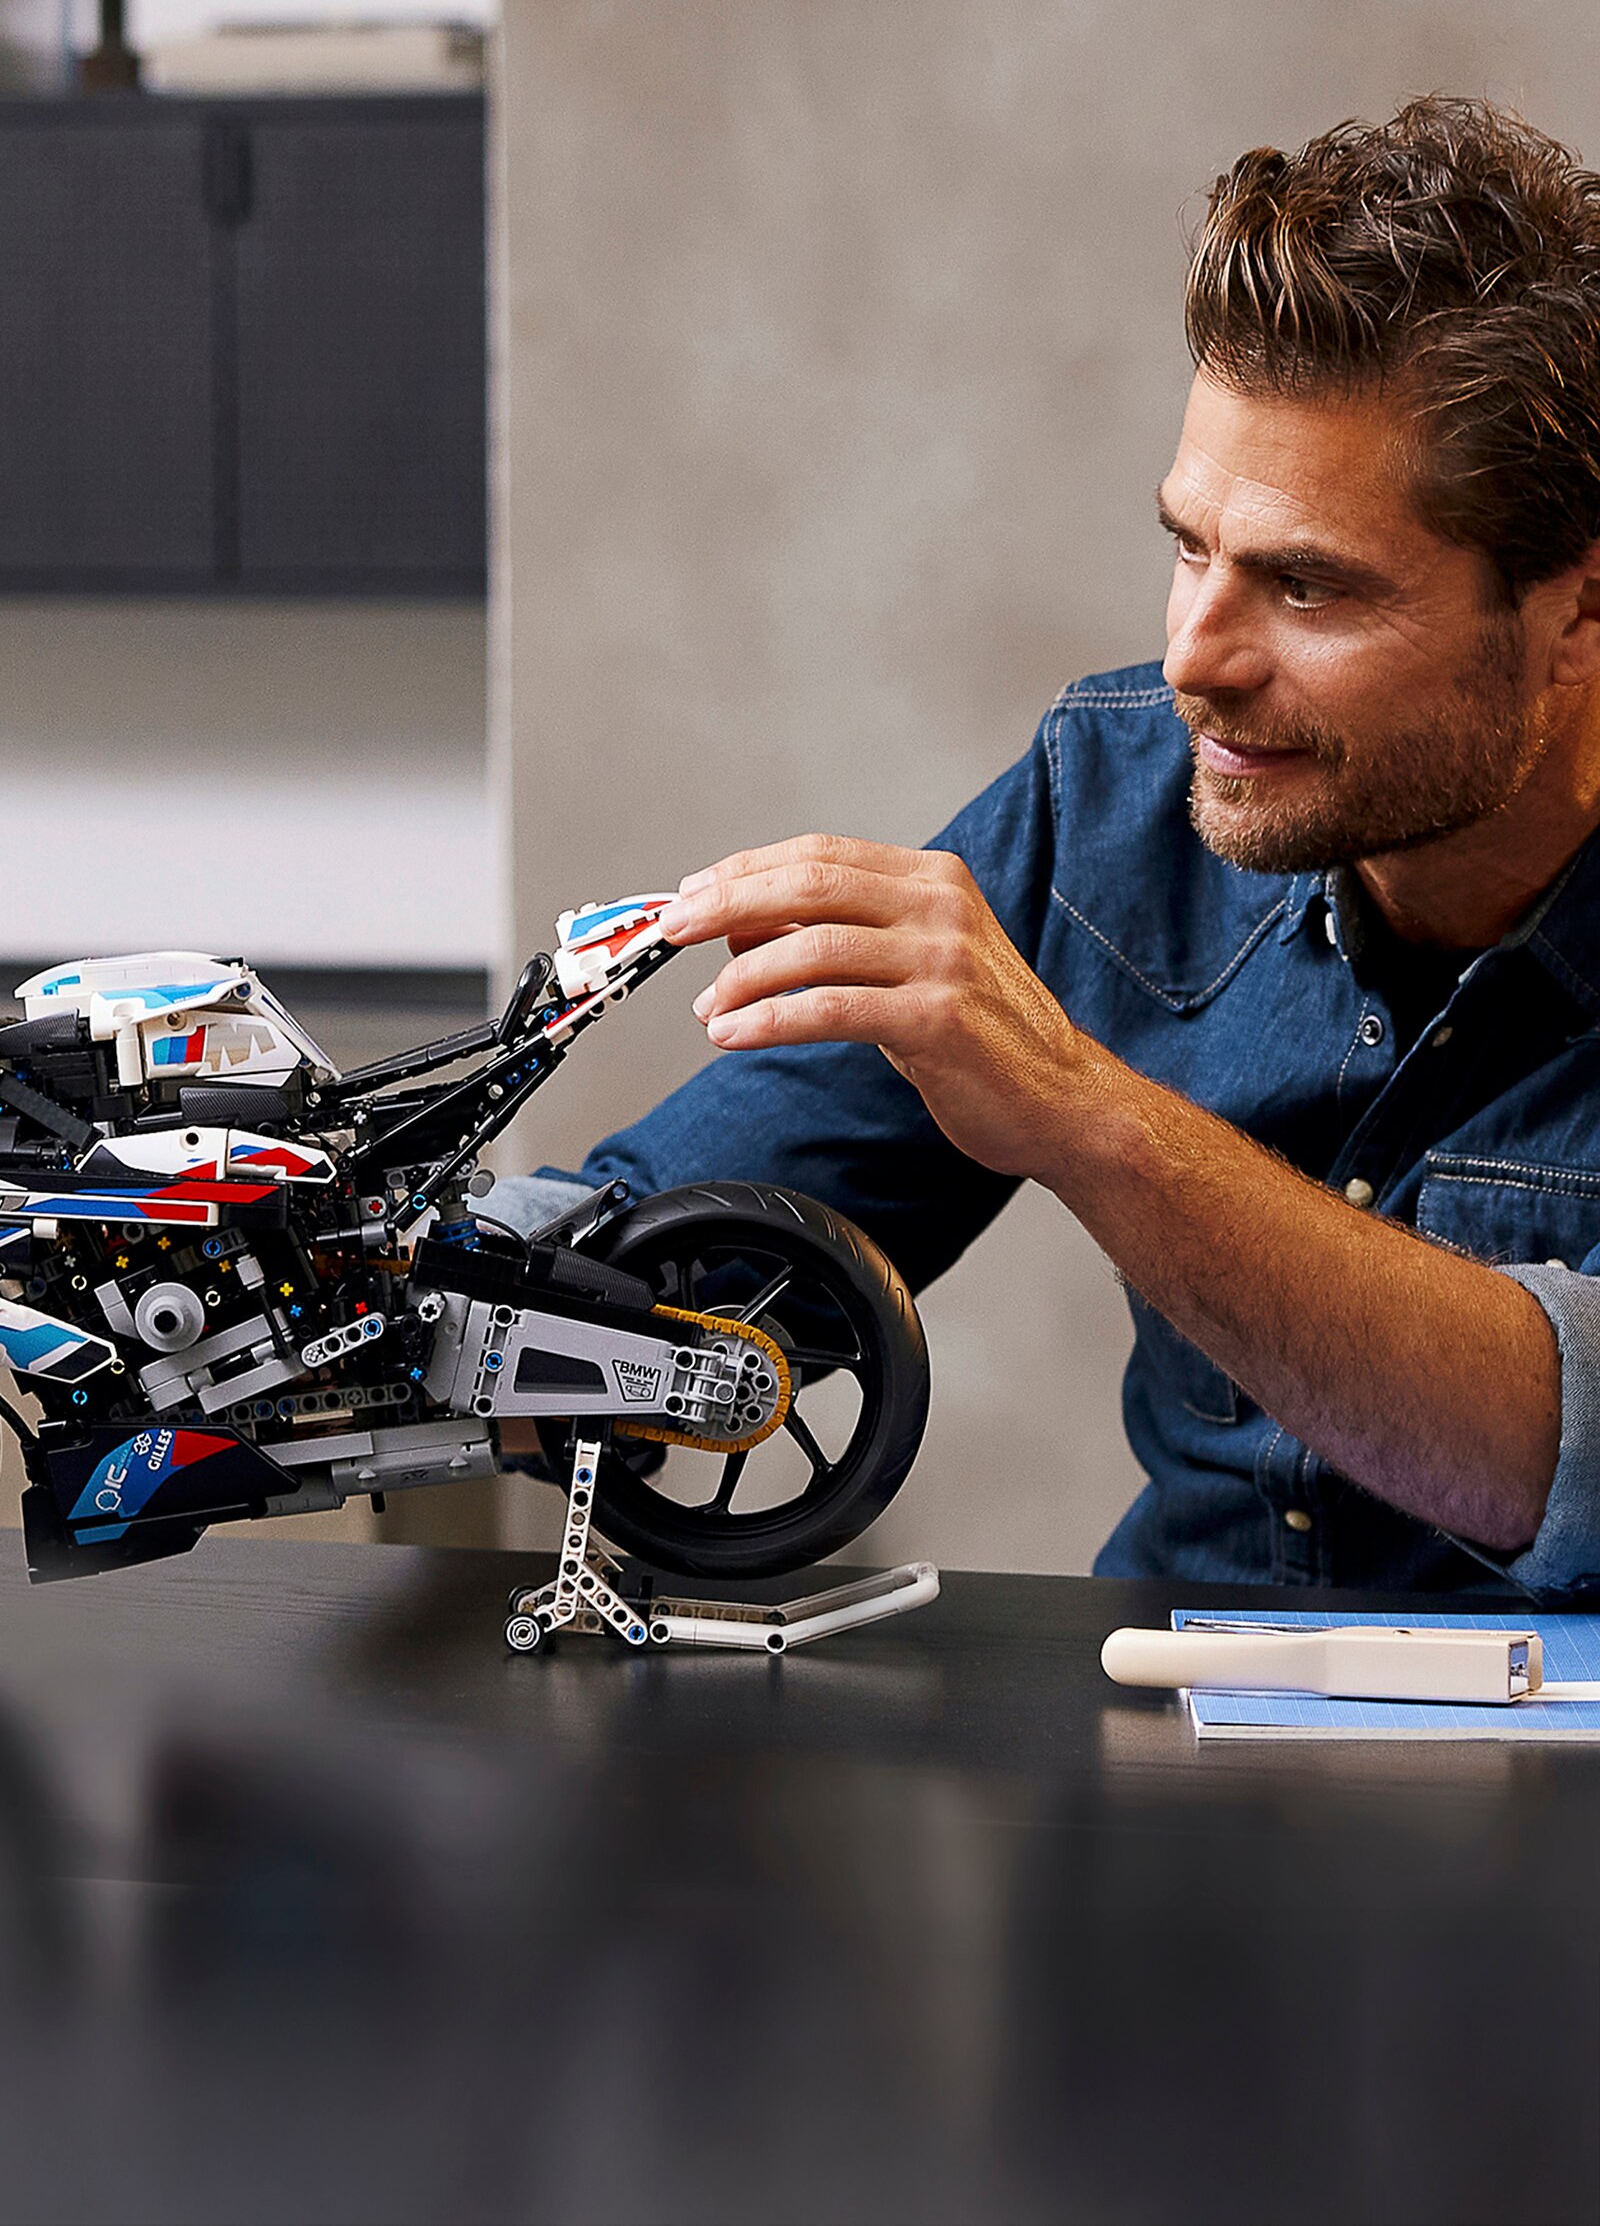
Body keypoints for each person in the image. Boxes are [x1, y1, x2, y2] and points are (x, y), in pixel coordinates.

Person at [499, 96, 1600, 1595]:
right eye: (1189, 546)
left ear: (1575, 609)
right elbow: (651, 1276)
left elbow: (1563, 1453)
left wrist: (1092, 1118)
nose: (1198, 658)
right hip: (1166, 1766)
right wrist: (347, 1272)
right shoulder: (1127, 787)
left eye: (1311, 587)